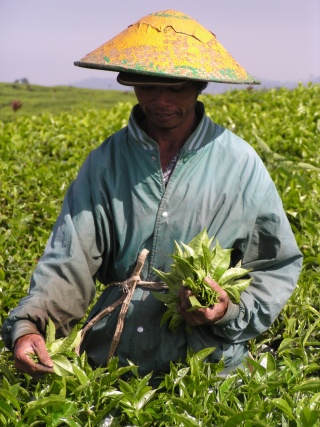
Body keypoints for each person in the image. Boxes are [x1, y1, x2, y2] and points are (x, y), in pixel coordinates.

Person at [1, 10, 302, 380]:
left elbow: (274, 265)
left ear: (198, 86)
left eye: (175, 88)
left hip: (205, 370)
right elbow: (69, 259)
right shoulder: (106, 162)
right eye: (146, 87)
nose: (159, 100)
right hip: (115, 360)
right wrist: (30, 326)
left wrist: (227, 310)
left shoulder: (240, 164)